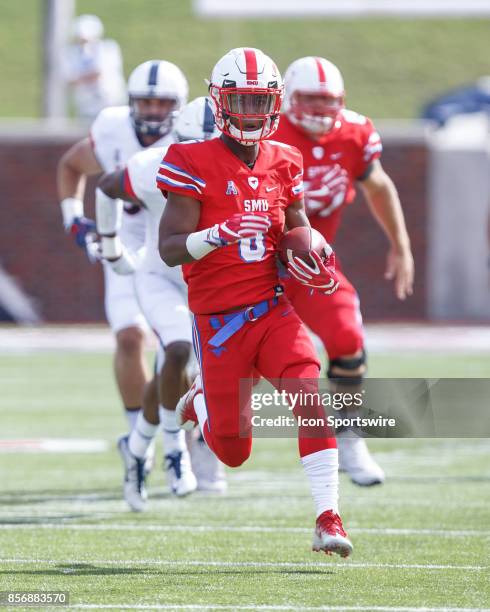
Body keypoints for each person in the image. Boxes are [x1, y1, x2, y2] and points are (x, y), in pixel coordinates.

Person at [158, 47, 353, 557]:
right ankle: (200, 400)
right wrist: (218, 233)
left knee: (311, 396)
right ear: (220, 102)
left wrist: (318, 258)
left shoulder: (286, 159)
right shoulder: (189, 160)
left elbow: (299, 227)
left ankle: (328, 517)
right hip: (220, 324)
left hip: (272, 310)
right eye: (240, 101)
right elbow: (169, 247)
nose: (249, 112)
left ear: (274, 103)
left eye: (258, 101)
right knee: (234, 450)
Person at [273, 56, 415, 486]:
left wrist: (401, 244)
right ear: (288, 100)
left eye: (327, 101)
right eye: (310, 101)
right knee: (231, 359)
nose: (319, 110)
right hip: (255, 267)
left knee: (349, 337)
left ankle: (350, 434)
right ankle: (198, 440)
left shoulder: (355, 133)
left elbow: (379, 185)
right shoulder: (267, 131)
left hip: (315, 268)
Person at [57, 60, 193, 493]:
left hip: (172, 245)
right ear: (129, 102)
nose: (153, 111)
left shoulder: (192, 135)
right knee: (131, 337)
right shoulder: (114, 128)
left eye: (162, 102)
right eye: (145, 101)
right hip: (126, 244)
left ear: (180, 107)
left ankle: (177, 433)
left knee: (180, 353)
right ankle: (142, 434)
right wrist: (76, 222)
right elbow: (74, 167)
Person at [95, 97, 226, 510]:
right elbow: (105, 186)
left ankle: (136, 450)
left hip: (214, 282)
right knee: (178, 352)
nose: (201, 162)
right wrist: (112, 244)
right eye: (193, 151)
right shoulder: (154, 165)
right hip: (162, 279)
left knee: (190, 370)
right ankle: (175, 449)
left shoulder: (247, 170)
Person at [63, 14, 126, 120]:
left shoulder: (108, 49)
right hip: (86, 108)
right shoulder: (72, 54)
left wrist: (82, 77)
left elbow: (98, 73)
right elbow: (69, 79)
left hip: (111, 104)